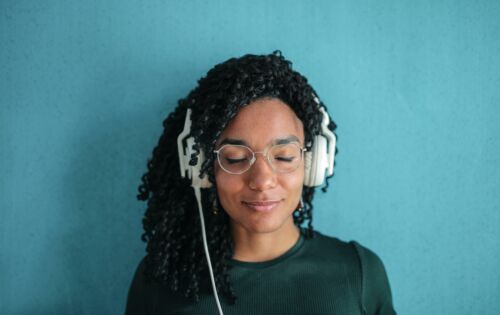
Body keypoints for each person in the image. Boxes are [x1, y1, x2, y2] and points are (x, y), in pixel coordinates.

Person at [125, 51, 396, 315]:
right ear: (202, 169)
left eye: (284, 156)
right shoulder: (161, 280)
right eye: (235, 158)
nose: (262, 180)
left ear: (313, 163)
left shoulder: (359, 273)